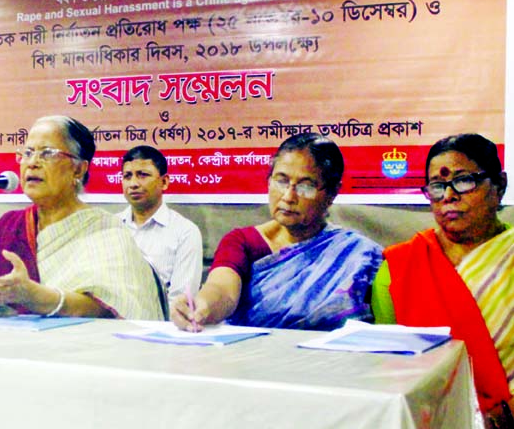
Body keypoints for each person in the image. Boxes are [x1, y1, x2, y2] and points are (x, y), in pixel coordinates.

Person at [0, 115, 163, 320]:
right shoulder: (7, 227)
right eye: (27, 153)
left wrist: (37, 297)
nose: (32, 163)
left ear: (79, 169)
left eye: (47, 153)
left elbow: (112, 307)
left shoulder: (105, 230)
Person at [172, 133, 381, 332]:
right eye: (281, 181)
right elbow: (222, 288)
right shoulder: (243, 242)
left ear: (332, 193)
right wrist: (203, 305)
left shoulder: (356, 254)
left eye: (306, 186)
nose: (288, 196)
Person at [372, 134, 513, 426]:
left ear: (499, 185)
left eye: (464, 181)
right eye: (437, 186)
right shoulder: (398, 267)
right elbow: (389, 365)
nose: (448, 196)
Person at [117, 145, 202, 308]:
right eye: (127, 176)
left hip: (157, 326)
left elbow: (181, 302)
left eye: (143, 175)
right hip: (108, 322)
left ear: (164, 182)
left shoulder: (184, 232)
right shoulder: (110, 226)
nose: (133, 183)